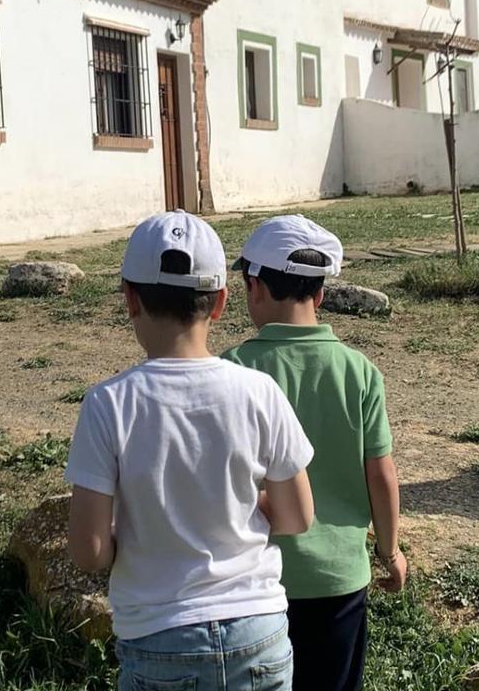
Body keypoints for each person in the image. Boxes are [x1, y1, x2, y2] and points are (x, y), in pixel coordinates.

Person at [66, 210, 315, 691]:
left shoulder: (108, 403)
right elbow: (298, 517)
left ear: (129, 299)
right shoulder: (259, 391)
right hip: (258, 630)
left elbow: (89, 552)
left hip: (160, 638)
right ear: (221, 301)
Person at [223, 215, 405, 691]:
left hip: (255, 577)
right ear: (320, 294)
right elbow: (380, 474)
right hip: (338, 580)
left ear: (254, 287)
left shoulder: (233, 369)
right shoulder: (359, 371)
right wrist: (390, 550)